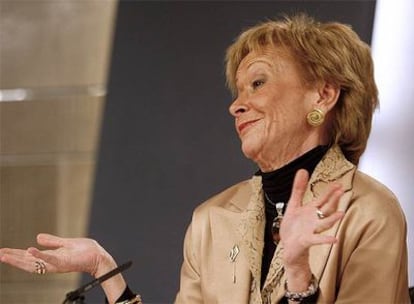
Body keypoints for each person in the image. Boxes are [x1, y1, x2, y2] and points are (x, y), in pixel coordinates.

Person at [0, 14, 410, 304]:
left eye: (258, 83)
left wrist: (298, 275)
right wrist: (105, 272)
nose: (237, 105)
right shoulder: (211, 219)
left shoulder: (369, 212)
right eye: (238, 91)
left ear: (322, 95)